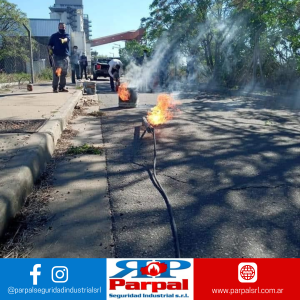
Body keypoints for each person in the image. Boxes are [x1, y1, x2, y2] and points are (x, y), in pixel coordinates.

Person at [48, 22, 70, 93]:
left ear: (65, 28)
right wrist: (50, 51)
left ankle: (62, 87)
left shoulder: (67, 35)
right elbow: (49, 45)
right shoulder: (54, 36)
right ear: (58, 27)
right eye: (61, 27)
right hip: (57, 57)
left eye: (63, 27)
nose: (62, 28)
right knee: (57, 73)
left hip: (65, 57)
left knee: (64, 73)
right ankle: (55, 88)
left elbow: (67, 40)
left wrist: (63, 40)